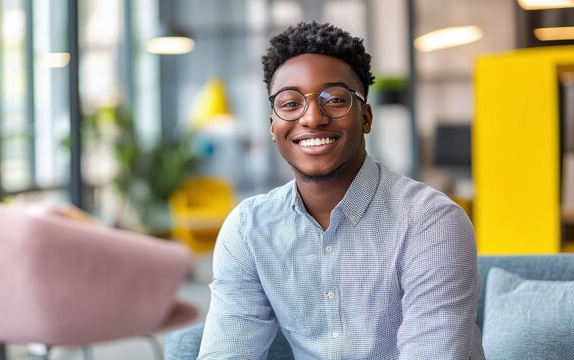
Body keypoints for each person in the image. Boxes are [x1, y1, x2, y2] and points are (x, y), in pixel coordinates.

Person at [198, 21, 484, 359]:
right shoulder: (249, 229)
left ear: (365, 117)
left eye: (334, 100)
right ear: (273, 127)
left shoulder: (432, 222)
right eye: (290, 104)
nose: (313, 118)